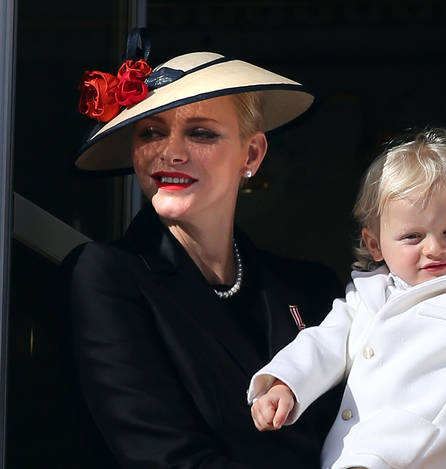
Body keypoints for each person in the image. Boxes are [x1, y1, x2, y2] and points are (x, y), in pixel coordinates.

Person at [61, 38, 343, 467]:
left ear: (251, 153)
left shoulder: (313, 290)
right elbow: (166, 457)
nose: (171, 152)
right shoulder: (107, 276)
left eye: (200, 133)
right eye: (151, 132)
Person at [247, 128, 446, 469]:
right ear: (375, 244)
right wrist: (286, 383)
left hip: (422, 455)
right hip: (349, 452)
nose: (435, 248)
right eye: (413, 236)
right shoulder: (367, 296)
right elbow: (322, 343)